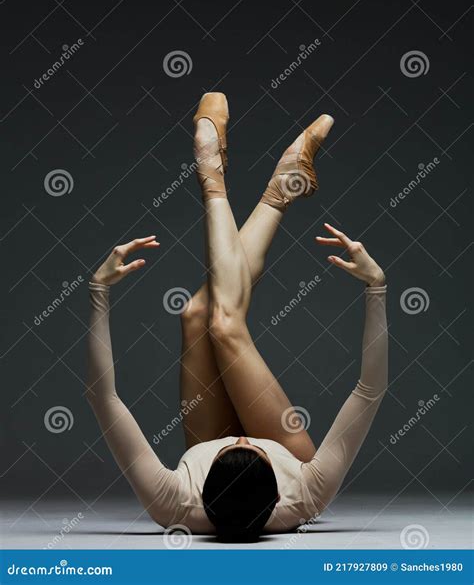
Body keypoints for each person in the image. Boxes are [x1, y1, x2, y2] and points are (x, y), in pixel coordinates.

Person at [86, 93, 387, 541]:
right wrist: (376, 287)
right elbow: (370, 390)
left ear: (202, 491)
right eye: (252, 448)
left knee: (196, 313)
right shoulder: (306, 491)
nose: (241, 435)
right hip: (288, 445)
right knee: (224, 323)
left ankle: (284, 187)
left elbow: (103, 397)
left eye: (234, 447)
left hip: (207, 452)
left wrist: (98, 291)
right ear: (276, 494)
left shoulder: (173, 502)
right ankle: (213, 175)